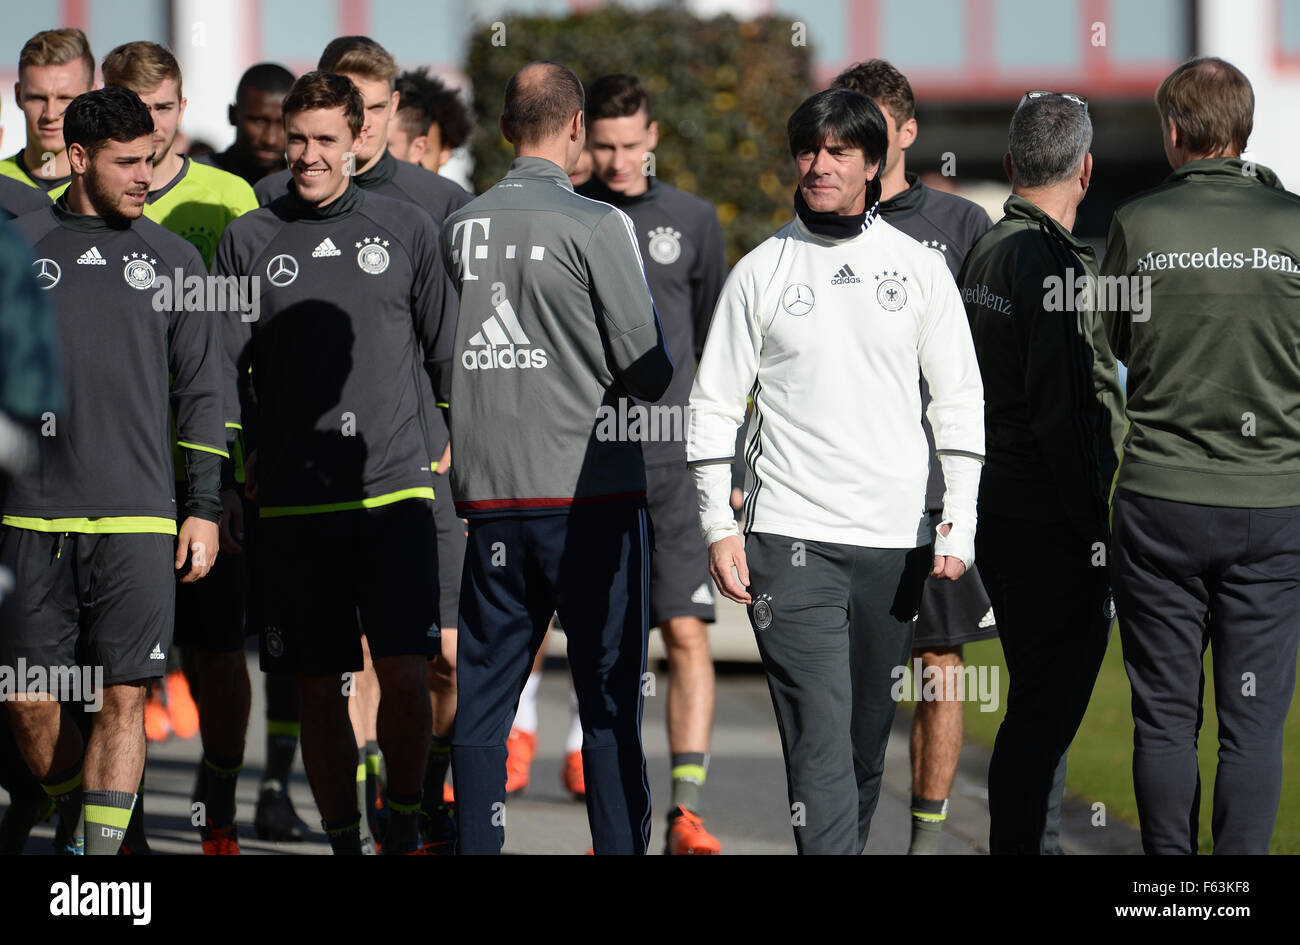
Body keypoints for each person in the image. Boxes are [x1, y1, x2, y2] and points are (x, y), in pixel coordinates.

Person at [687, 88, 984, 855]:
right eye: (809, 150)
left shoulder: (918, 270)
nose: (819, 166)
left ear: (875, 164)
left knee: (858, 745)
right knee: (818, 736)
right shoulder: (761, 270)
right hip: (788, 540)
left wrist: (960, 519)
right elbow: (714, 404)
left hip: (896, 541)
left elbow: (959, 401)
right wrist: (719, 525)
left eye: (839, 152)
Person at [216, 70, 453, 855]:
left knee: (409, 673)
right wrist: (234, 464)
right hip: (291, 505)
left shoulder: (408, 226)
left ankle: (408, 820)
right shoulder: (248, 236)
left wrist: (449, 437)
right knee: (316, 686)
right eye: (298, 138)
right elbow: (222, 367)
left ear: (358, 139)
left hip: (393, 495)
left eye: (326, 139)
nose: (309, 155)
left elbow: (445, 349)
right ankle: (345, 841)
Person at [440, 60, 673, 855]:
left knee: (482, 703)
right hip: (591, 498)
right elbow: (648, 370)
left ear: (505, 130)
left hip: (492, 502)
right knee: (608, 701)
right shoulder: (599, 224)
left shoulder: (459, 226)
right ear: (577, 128)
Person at [3, 85, 226, 856]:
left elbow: (203, 390)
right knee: (27, 697)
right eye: (126, 162)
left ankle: (101, 866)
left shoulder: (176, 258)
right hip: (31, 515)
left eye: (152, 160)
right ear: (76, 157)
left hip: (138, 515)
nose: (144, 176)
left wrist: (204, 505)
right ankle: (74, 810)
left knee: (123, 696)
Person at [1100, 57, 1300, 855]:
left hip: (1160, 500)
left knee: (1165, 718)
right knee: (1253, 724)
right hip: (1273, 501)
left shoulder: (1138, 223)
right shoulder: (1292, 224)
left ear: (1174, 133)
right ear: (1243, 127)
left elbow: (1113, 341)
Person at [832, 58, 997, 855]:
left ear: (905, 131)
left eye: (873, 124)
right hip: (835, 495)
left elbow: (985, 371)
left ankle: (927, 841)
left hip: (932, 497)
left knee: (939, 665)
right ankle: (840, 833)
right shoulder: (819, 219)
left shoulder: (964, 229)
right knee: (850, 683)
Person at [99, 39, 261, 854]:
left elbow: (246, 345)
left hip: (205, 460)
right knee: (110, 672)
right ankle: (105, 827)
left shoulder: (228, 196)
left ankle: (220, 798)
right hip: (109, 467)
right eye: (140, 112)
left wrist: (231, 468)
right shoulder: (83, 201)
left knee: (217, 648)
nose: (156, 129)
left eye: (167, 109)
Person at [962, 91, 1124, 854]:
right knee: (1043, 711)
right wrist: (1101, 525)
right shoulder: (1046, 259)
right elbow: (1073, 413)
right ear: (1086, 168)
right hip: (1047, 520)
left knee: (1032, 706)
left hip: (1001, 508)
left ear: (1010, 164)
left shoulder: (988, 249)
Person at [571, 73, 727, 854]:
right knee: (595, 640)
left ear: (654, 137)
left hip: (676, 463)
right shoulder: (572, 216)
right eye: (604, 144)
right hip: (589, 462)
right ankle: (599, 798)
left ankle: (685, 811)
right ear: (583, 138)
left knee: (686, 633)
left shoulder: (693, 220)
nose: (620, 159)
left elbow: (707, 340)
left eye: (632, 144)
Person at [2, 29, 95, 194]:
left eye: (65, 98)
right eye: (37, 98)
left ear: (91, 97)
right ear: (18, 96)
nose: (50, 115)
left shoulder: (115, 190)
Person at [195, 63, 295, 186]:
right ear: (232, 115)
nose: (270, 140)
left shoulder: (312, 189)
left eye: (284, 123)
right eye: (259, 121)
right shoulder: (192, 179)